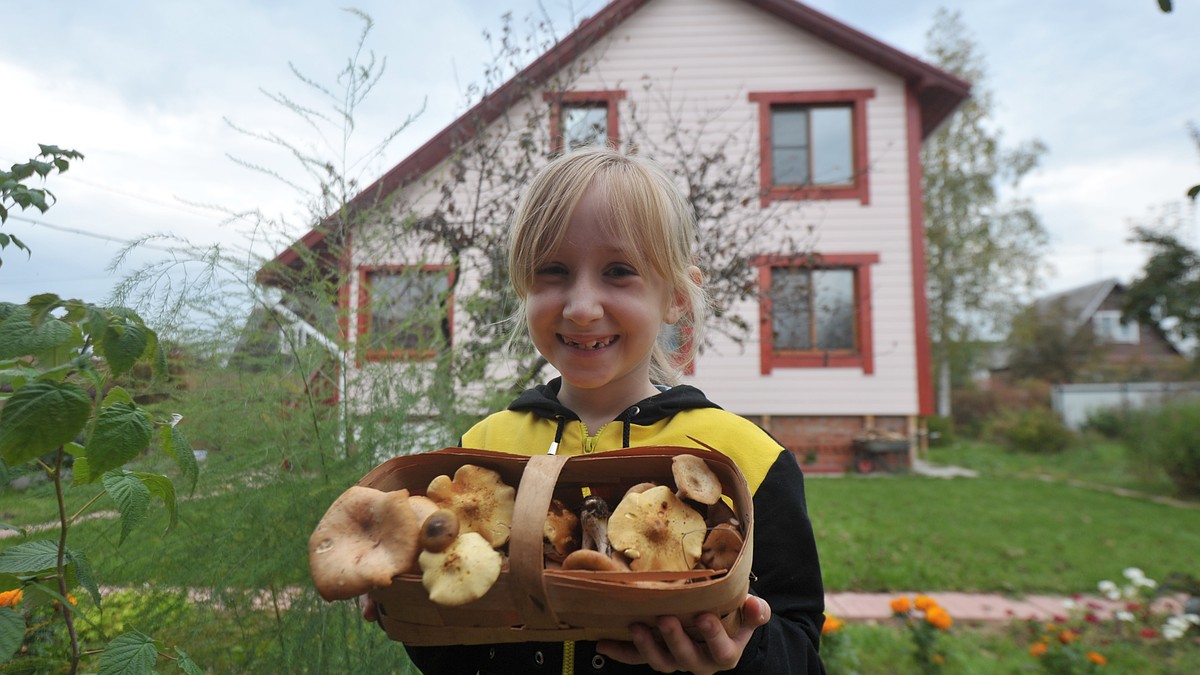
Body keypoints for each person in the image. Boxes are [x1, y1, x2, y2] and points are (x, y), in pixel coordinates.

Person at [367, 146, 826, 674]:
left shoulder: (745, 458)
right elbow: (457, 648)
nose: (581, 307)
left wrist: (741, 657)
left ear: (677, 295)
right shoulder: (481, 454)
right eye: (553, 270)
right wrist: (412, 613)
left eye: (618, 271)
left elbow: (800, 646)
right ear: (523, 287)